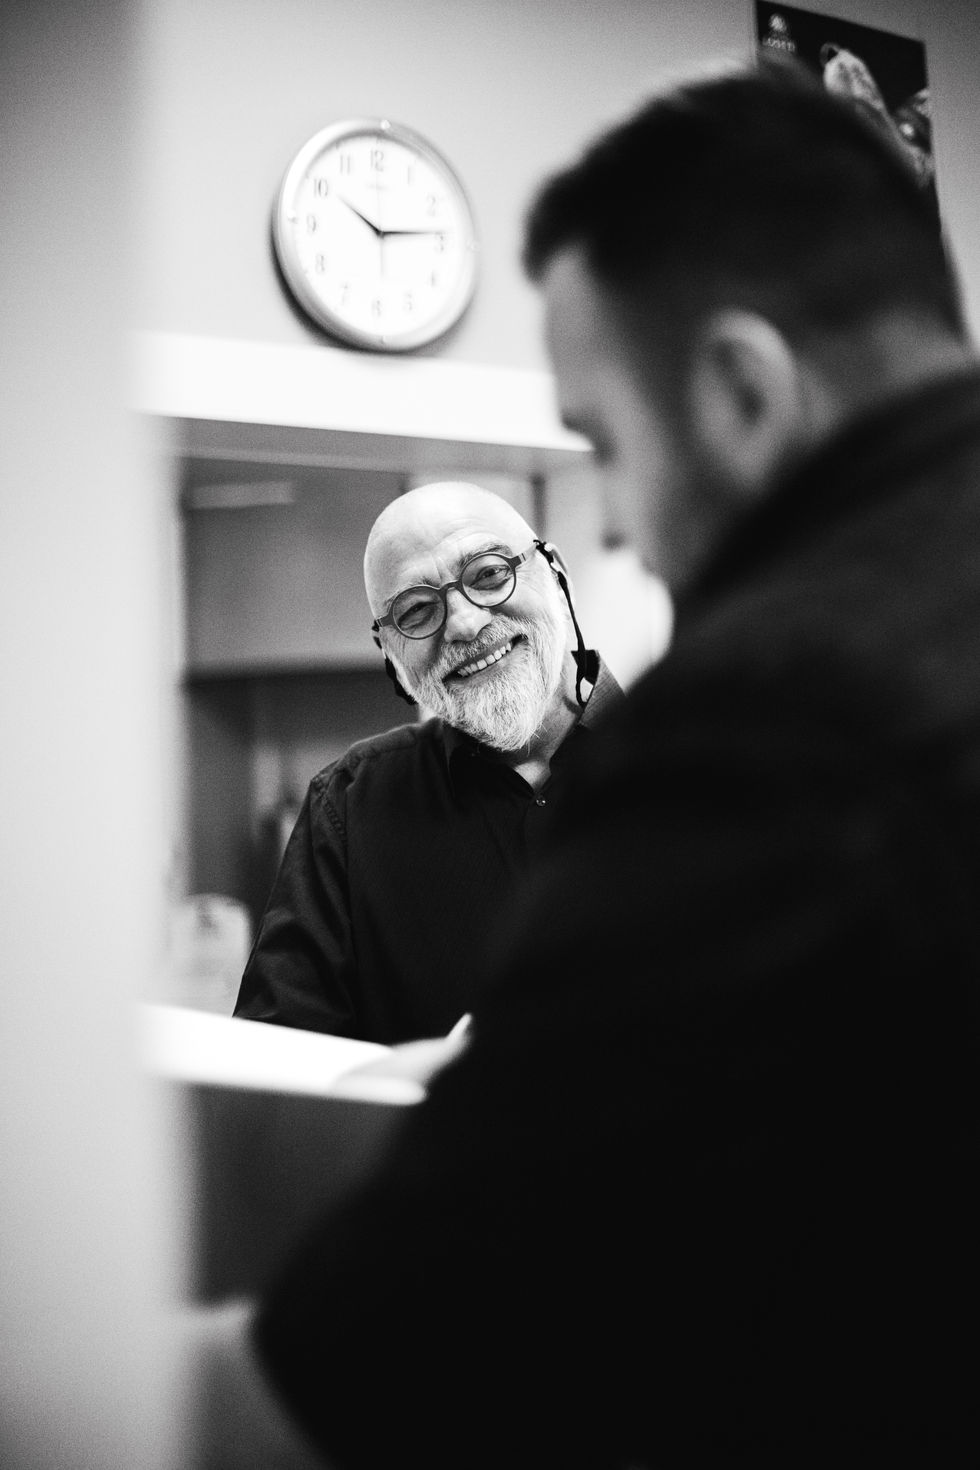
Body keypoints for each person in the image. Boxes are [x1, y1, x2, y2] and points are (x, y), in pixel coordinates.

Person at [193, 55, 980, 1466]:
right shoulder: (355, 811)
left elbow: (369, 1356)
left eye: (606, 444)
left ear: (741, 391)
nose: (621, 522)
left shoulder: (765, 735)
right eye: (414, 613)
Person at [233, 479, 621, 1043]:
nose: (464, 624)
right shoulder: (348, 811)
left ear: (556, 576)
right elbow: (274, 1062)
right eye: (416, 611)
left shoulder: (708, 763)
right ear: (390, 653)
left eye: (488, 574)